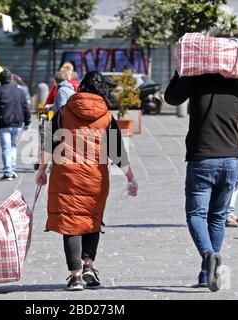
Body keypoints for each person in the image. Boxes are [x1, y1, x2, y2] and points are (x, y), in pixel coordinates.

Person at [35, 71, 138, 291]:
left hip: (66, 177)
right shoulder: (107, 117)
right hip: (95, 178)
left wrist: (41, 171)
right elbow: (117, 152)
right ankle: (89, 265)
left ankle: (75, 276)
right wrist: (131, 178)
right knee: (92, 219)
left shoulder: (63, 112)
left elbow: (48, 144)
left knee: (71, 224)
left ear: (81, 87)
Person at [164, 71, 238, 292]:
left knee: (196, 214)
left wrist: (180, 72)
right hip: (231, 159)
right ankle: (206, 274)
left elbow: (171, 98)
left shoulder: (195, 78)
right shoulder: (236, 81)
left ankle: (209, 255)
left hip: (202, 158)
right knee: (218, 217)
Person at [0, 69, 31, 181]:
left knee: (6, 147)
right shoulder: (20, 92)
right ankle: (12, 169)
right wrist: (27, 122)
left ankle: (8, 171)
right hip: (17, 123)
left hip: (3, 123)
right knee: (13, 146)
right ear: (11, 79)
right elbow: (26, 108)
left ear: (0, 80)